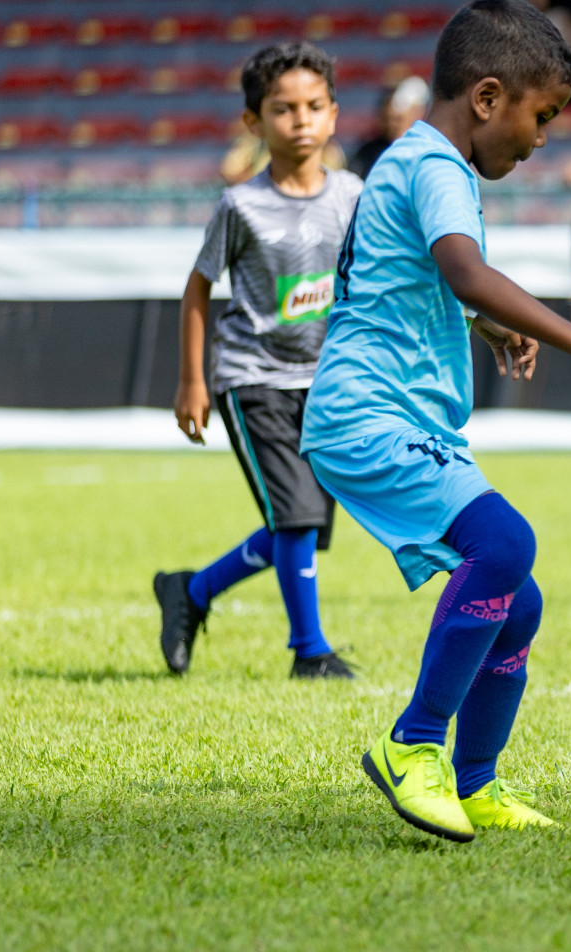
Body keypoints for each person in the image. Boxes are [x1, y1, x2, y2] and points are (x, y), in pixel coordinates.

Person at [299, 0, 571, 841]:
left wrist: (480, 326)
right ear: (487, 99)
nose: (540, 138)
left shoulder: (414, 158)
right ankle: (413, 745)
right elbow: (463, 270)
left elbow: (406, 276)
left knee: (515, 602)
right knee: (506, 544)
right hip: (365, 414)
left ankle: (478, 783)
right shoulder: (439, 166)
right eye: (541, 116)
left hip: (378, 415)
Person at [154, 41, 362, 680]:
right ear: (254, 123)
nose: (300, 119)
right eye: (282, 109)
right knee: (295, 516)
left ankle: (190, 592)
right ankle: (311, 653)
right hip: (253, 379)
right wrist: (193, 381)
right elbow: (197, 287)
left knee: (297, 527)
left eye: (313, 106)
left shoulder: (355, 195)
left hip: (325, 383)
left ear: (333, 115)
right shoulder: (240, 205)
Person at [346, 76, 429, 179]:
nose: (392, 125)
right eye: (387, 119)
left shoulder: (426, 151)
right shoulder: (367, 154)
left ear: (416, 114)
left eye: (398, 119)